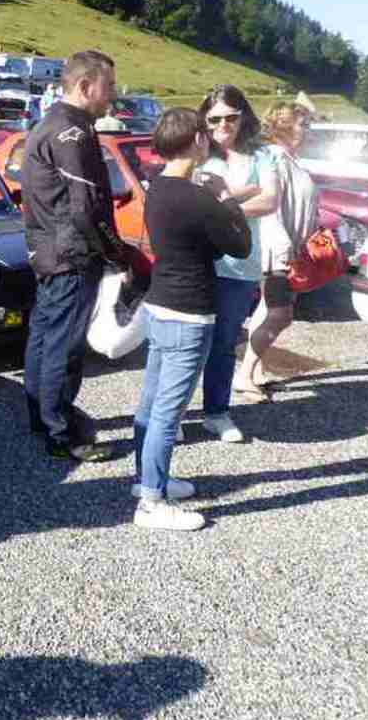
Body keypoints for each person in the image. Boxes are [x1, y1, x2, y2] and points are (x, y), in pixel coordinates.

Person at [133, 108, 251, 531]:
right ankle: (151, 503)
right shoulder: (199, 197)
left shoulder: (158, 188)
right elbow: (239, 246)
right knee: (169, 411)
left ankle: (146, 480)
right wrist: (228, 199)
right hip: (189, 313)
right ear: (198, 140)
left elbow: (204, 244)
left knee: (151, 403)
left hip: (160, 304)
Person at [22, 50, 138, 462]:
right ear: (86, 86)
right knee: (64, 348)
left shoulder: (47, 124)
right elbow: (87, 209)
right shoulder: (73, 133)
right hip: (70, 256)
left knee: (43, 338)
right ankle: (62, 433)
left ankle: (42, 418)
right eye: (109, 87)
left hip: (47, 251)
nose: (113, 96)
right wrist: (118, 254)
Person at [196, 85, 276, 442]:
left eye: (230, 117)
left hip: (240, 264)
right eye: (214, 119)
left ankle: (216, 412)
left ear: (243, 117)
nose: (222, 125)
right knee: (189, 342)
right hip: (199, 263)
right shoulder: (198, 153)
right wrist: (244, 195)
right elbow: (189, 199)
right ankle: (173, 412)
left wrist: (222, 203)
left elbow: (271, 200)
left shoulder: (262, 155)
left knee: (224, 342)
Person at [235, 102, 321, 399]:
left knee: (267, 309)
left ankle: (256, 371)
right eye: (304, 125)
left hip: (288, 249)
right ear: (284, 127)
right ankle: (244, 375)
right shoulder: (275, 158)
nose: (309, 130)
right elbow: (270, 210)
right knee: (280, 314)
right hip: (277, 250)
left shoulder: (289, 159)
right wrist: (284, 251)